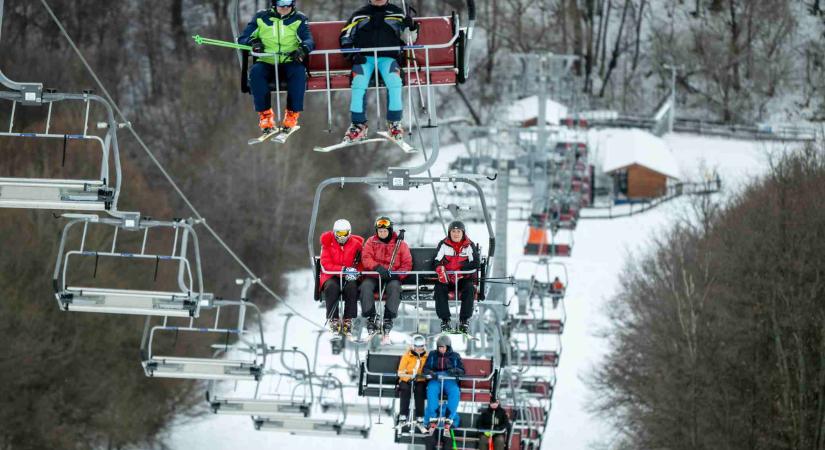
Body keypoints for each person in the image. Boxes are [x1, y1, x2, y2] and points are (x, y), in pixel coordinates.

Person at [339, 0, 418, 143]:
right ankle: (358, 125)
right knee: (358, 83)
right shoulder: (359, 15)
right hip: (365, 58)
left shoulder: (397, 14)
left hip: (388, 58)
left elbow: (409, 40)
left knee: (394, 82)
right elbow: (345, 36)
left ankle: (394, 123)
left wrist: (410, 26)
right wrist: (352, 55)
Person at [238, 0, 315, 135]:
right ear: (274, 3)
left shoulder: (299, 19)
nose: (285, 6)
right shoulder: (261, 17)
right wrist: (253, 42)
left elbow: (309, 40)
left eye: (288, 2)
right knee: (256, 72)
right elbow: (243, 38)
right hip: (267, 60)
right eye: (281, 2)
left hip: (289, 60)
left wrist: (302, 50)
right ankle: (265, 116)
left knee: (298, 72)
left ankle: (292, 115)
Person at [360, 216, 412, 335]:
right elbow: (366, 258)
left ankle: (388, 317)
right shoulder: (371, 242)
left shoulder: (400, 244)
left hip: (392, 276)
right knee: (365, 286)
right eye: (380, 231)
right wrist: (377, 268)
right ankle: (371, 316)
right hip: (374, 275)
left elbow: (407, 264)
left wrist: (397, 275)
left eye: (385, 231)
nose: (382, 233)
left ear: (390, 230)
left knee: (394, 287)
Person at [319, 219, 363, 337]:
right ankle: (334, 320)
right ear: (334, 233)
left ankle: (348, 319)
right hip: (331, 275)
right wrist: (343, 269)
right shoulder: (327, 243)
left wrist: (355, 272)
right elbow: (325, 263)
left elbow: (361, 263)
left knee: (352, 287)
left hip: (350, 276)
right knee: (331, 287)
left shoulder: (356, 245)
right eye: (339, 233)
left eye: (344, 233)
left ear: (349, 232)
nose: (341, 237)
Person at [433, 221, 479, 333]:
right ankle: (445, 320)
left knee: (469, 288)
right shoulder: (443, 244)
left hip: (462, 278)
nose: (456, 234)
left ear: (463, 233)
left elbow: (476, 263)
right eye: (453, 231)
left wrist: (462, 271)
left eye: (458, 231)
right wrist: (441, 269)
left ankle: (464, 320)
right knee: (439, 288)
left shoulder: (468, 245)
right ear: (449, 233)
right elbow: (436, 260)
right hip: (447, 278)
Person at [422, 335, 464, 432]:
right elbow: (425, 369)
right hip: (436, 377)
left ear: (448, 347)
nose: (441, 350)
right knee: (431, 390)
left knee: (455, 391)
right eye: (439, 347)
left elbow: (462, 370)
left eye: (443, 347)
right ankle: (433, 416)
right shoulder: (433, 354)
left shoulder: (455, 356)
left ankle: (449, 417)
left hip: (449, 378)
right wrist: (431, 373)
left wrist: (454, 371)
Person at [396, 334, 428, 426]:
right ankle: (403, 415)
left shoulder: (426, 357)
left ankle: (420, 416)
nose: (419, 349)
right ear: (413, 346)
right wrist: (408, 378)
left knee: (420, 390)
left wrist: (422, 377)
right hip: (407, 379)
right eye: (417, 347)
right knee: (405, 389)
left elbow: (427, 370)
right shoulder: (407, 356)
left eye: (421, 347)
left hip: (419, 380)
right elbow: (400, 371)